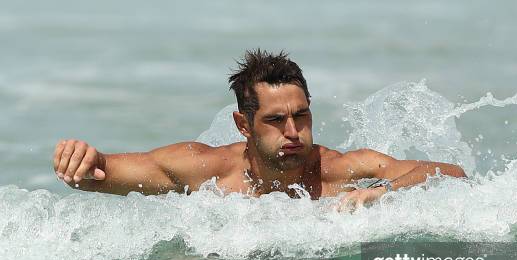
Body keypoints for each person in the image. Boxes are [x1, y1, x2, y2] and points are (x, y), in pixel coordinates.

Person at [52, 49, 466, 210]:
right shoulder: (208, 169)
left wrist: (383, 192)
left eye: (301, 116)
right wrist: (84, 163)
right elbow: (104, 174)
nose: (293, 131)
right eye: (274, 119)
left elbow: (449, 173)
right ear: (243, 125)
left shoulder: (342, 171)